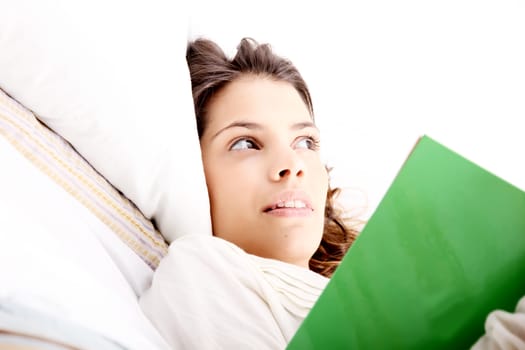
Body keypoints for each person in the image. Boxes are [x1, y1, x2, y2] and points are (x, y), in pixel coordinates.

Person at [139, 37, 359, 349]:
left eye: (305, 142)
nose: (292, 165)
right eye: (246, 143)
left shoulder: (371, 290)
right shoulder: (200, 273)